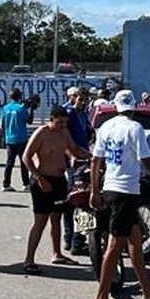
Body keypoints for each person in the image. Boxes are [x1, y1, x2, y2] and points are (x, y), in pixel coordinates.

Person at [90, 90, 150, 299]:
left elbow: (95, 160)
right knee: (114, 246)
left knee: (135, 240)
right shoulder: (135, 128)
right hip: (126, 192)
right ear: (134, 107)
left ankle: (147, 291)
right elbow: (148, 162)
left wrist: (94, 190)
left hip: (110, 188)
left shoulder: (106, 127)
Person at [21, 105, 93, 275]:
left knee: (57, 218)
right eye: (59, 122)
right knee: (40, 221)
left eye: (65, 122)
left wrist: (93, 156)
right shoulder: (42, 133)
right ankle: (29, 259)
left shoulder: (64, 132)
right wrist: (40, 178)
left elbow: (74, 149)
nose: (62, 125)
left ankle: (57, 253)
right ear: (51, 119)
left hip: (59, 181)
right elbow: (26, 157)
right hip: (42, 181)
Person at [63, 88, 92, 254]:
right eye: (80, 99)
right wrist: (71, 155)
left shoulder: (82, 114)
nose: (83, 102)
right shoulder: (71, 114)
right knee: (78, 200)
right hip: (74, 163)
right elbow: (64, 139)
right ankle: (74, 240)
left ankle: (76, 240)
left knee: (80, 200)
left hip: (84, 159)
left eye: (85, 99)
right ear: (74, 98)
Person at [0, 88, 32, 192]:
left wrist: (3, 137)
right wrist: (31, 109)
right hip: (21, 139)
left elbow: (2, 124)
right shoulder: (21, 108)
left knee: (9, 162)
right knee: (23, 162)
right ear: (19, 97)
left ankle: (6, 184)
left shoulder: (5, 108)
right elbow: (30, 121)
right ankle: (26, 183)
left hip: (9, 139)